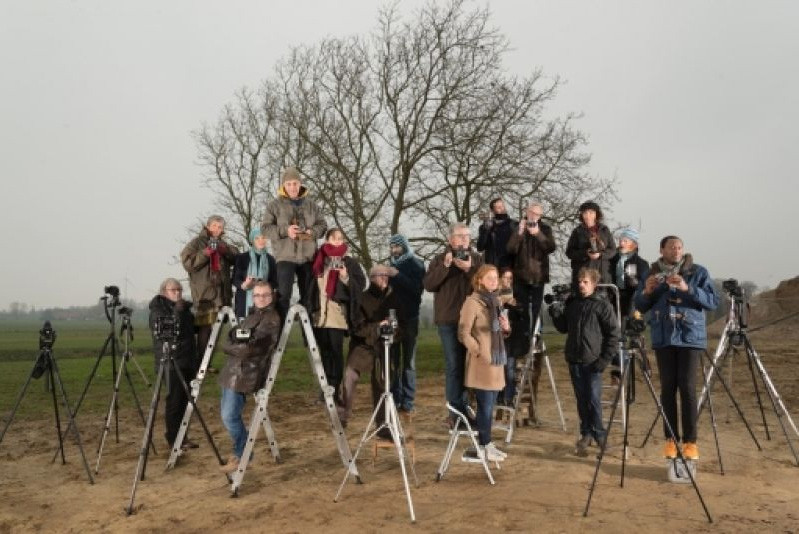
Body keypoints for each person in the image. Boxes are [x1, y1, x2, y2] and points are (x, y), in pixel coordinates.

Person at [634, 236, 718, 461]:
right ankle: (670, 439)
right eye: (672, 247)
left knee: (688, 388)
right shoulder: (651, 273)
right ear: (662, 250)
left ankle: (691, 442)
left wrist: (687, 287)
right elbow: (640, 305)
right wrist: (646, 292)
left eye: (680, 247)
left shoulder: (697, 272)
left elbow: (712, 301)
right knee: (668, 389)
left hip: (690, 337)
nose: (677, 250)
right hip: (664, 337)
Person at [550, 267, 620, 456]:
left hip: (593, 361)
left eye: (585, 282)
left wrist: (604, 360)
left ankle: (600, 436)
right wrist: (555, 312)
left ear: (594, 284)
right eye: (579, 281)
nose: (581, 285)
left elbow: (613, 335)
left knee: (593, 400)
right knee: (582, 400)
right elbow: (564, 328)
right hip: (574, 359)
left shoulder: (602, 305)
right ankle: (586, 434)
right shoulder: (573, 303)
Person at [218, 281, 281, 473]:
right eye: (257, 295)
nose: (261, 298)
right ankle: (240, 452)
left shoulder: (271, 319)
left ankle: (242, 455)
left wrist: (229, 347)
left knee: (229, 416)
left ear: (272, 296)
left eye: (265, 295)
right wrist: (234, 344)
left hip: (245, 374)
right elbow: (232, 336)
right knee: (227, 416)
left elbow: (249, 349)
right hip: (231, 372)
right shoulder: (252, 316)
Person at [423, 222, 483, 424]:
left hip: (472, 321)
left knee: (470, 365)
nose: (465, 239)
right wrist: (446, 267)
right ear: (451, 239)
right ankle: (455, 413)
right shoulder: (440, 259)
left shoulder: (477, 259)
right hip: (448, 320)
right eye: (460, 235)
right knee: (453, 366)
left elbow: (486, 285)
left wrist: (469, 270)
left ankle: (468, 407)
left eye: (467, 235)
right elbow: (429, 284)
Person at [505, 201, 557, 418]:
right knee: (518, 311)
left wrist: (537, 235)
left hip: (537, 278)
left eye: (537, 214)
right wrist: (519, 233)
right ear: (526, 213)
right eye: (531, 213)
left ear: (541, 216)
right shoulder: (517, 226)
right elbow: (510, 249)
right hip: (520, 277)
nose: (534, 216)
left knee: (535, 312)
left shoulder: (545, 229)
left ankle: (533, 337)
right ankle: (519, 337)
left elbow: (550, 248)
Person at [338, 265, 402, 435]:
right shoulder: (362, 298)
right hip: (362, 346)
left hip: (383, 349)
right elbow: (357, 327)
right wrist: (377, 327)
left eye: (387, 276)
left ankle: (383, 425)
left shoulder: (393, 299)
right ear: (372, 277)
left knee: (382, 386)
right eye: (382, 276)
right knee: (350, 377)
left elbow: (400, 327)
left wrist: (394, 331)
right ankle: (342, 417)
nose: (385, 279)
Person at [458, 264, 511, 462]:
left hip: (496, 361)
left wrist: (506, 328)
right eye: (489, 278)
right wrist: (478, 350)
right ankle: (483, 445)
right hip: (482, 363)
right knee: (485, 406)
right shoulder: (472, 302)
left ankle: (487, 443)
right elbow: (463, 332)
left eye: (496, 278)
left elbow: (500, 332)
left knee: (490, 406)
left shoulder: (495, 302)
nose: (494, 281)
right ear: (479, 280)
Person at [306, 228, 366, 402]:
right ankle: (325, 391)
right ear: (327, 240)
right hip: (319, 315)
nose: (338, 241)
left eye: (341, 238)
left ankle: (335, 390)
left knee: (336, 353)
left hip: (337, 315)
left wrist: (346, 277)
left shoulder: (350, 262)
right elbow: (311, 286)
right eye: (334, 238)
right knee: (323, 354)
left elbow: (360, 284)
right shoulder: (319, 261)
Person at [262, 167, 327, 320]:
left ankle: (310, 337)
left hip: (308, 257)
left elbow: (323, 225)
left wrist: (313, 232)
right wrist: (286, 231)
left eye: (295, 183)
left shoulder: (312, 205)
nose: (292, 187)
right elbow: (265, 229)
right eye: (289, 184)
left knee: (309, 296)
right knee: (283, 296)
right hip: (285, 257)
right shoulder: (274, 205)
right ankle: (279, 335)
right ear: (283, 186)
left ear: (300, 184)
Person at [181, 215, 239, 367]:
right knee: (205, 328)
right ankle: (202, 362)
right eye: (215, 226)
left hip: (222, 294)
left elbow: (236, 257)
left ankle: (208, 361)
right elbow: (187, 263)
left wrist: (224, 250)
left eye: (220, 227)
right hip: (205, 294)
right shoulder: (196, 243)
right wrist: (206, 253)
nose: (218, 230)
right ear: (208, 226)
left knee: (217, 328)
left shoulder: (222, 243)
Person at [148, 278, 198, 449]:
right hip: (170, 362)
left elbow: (190, 330)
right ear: (164, 291)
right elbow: (168, 332)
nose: (177, 293)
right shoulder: (158, 309)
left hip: (187, 360)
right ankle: (173, 439)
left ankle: (182, 437)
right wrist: (178, 311)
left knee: (186, 401)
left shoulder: (184, 309)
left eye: (179, 290)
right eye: (173, 290)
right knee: (175, 402)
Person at [387, 234, 425, 414]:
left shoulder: (416, 264)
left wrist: (399, 276)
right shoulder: (391, 266)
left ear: (404, 246)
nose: (394, 250)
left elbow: (417, 291)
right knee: (394, 361)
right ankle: (395, 398)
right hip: (394, 318)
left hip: (410, 318)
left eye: (397, 246)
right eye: (392, 247)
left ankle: (408, 401)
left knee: (409, 361)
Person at [232, 228, 278, 321]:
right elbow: (235, 279)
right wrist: (245, 284)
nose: (261, 240)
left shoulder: (271, 259)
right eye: (257, 238)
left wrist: (264, 285)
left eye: (263, 237)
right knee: (243, 332)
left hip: (264, 301)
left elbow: (275, 281)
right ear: (252, 240)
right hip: (244, 301)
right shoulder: (242, 258)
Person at [565, 201, 615, 287]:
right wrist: (585, 253)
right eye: (585, 213)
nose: (588, 216)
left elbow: (613, 250)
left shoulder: (605, 230)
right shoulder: (577, 232)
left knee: (602, 299)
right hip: (583, 276)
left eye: (591, 212)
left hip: (603, 275)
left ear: (596, 214)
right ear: (581, 215)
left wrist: (600, 255)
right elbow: (569, 252)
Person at [609, 228, 649, 318]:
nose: (622, 243)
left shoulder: (641, 263)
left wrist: (636, 283)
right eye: (620, 240)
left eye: (625, 241)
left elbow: (645, 284)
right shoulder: (611, 260)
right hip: (612, 296)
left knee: (625, 325)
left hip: (630, 299)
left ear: (634, 244)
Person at [476, 198, 516, 269]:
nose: (501, 207)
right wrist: (486, 230)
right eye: (498, 206)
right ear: (492, 210)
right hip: (491, 266)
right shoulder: (484, 227)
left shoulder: (513, 224)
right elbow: (480, 247)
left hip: (508, 267)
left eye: (502, 205)